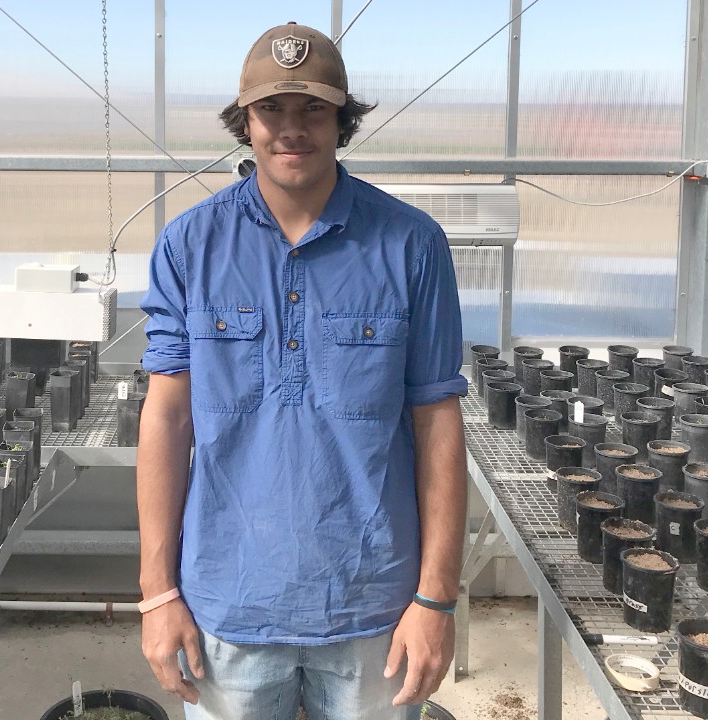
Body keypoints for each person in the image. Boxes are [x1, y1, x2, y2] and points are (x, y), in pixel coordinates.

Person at [137, 21, 468, 720]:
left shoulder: (411, 245)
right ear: (244, 121)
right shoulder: (189, 245)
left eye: (314, 108)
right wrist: (157, 594)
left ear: (343, 119)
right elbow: (166, 420)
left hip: (373, 603)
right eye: (271, 110)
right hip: (228, 604)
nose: (292, 129)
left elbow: (437, 421)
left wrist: (436, 598)